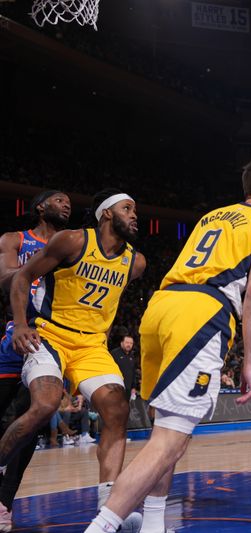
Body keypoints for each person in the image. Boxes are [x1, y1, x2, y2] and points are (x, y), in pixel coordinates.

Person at [84, 156, 251, 533]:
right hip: (200, 314)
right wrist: (250, 361)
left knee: (169, 434)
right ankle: (100, 527)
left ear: (246, 190)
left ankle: (155, 524)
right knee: (168, 440)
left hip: (161, 307)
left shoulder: (212, 216)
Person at [3, 188, 145, 531]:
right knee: (45, 405)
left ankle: (109, 505)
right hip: (51, 335)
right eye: (128, 209)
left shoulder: (136, 262)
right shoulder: (73, 241)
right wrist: (21, 325)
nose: (135, 215)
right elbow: (21, 277)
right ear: (107, 214)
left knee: (116, 408)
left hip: (92, 346)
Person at [0, 189, 70, 529]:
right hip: (18, 332)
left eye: (69, 201)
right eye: (59, 199)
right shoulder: (15, 238)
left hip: (52, 338)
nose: (67, 204)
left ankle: (4, 502)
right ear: (40, 207)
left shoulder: (73, 246)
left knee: (31, 425)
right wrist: (41, 263)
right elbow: (4, 278)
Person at [110, 335, 138, 401]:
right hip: (115, 388)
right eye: (127, 342)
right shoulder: (114, 353)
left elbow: (133, 372)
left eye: (131, 343)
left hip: (128, 389)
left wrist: (133, 387)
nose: (129, 345)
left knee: (125, 408)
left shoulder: (132, 356)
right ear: (121, 343)